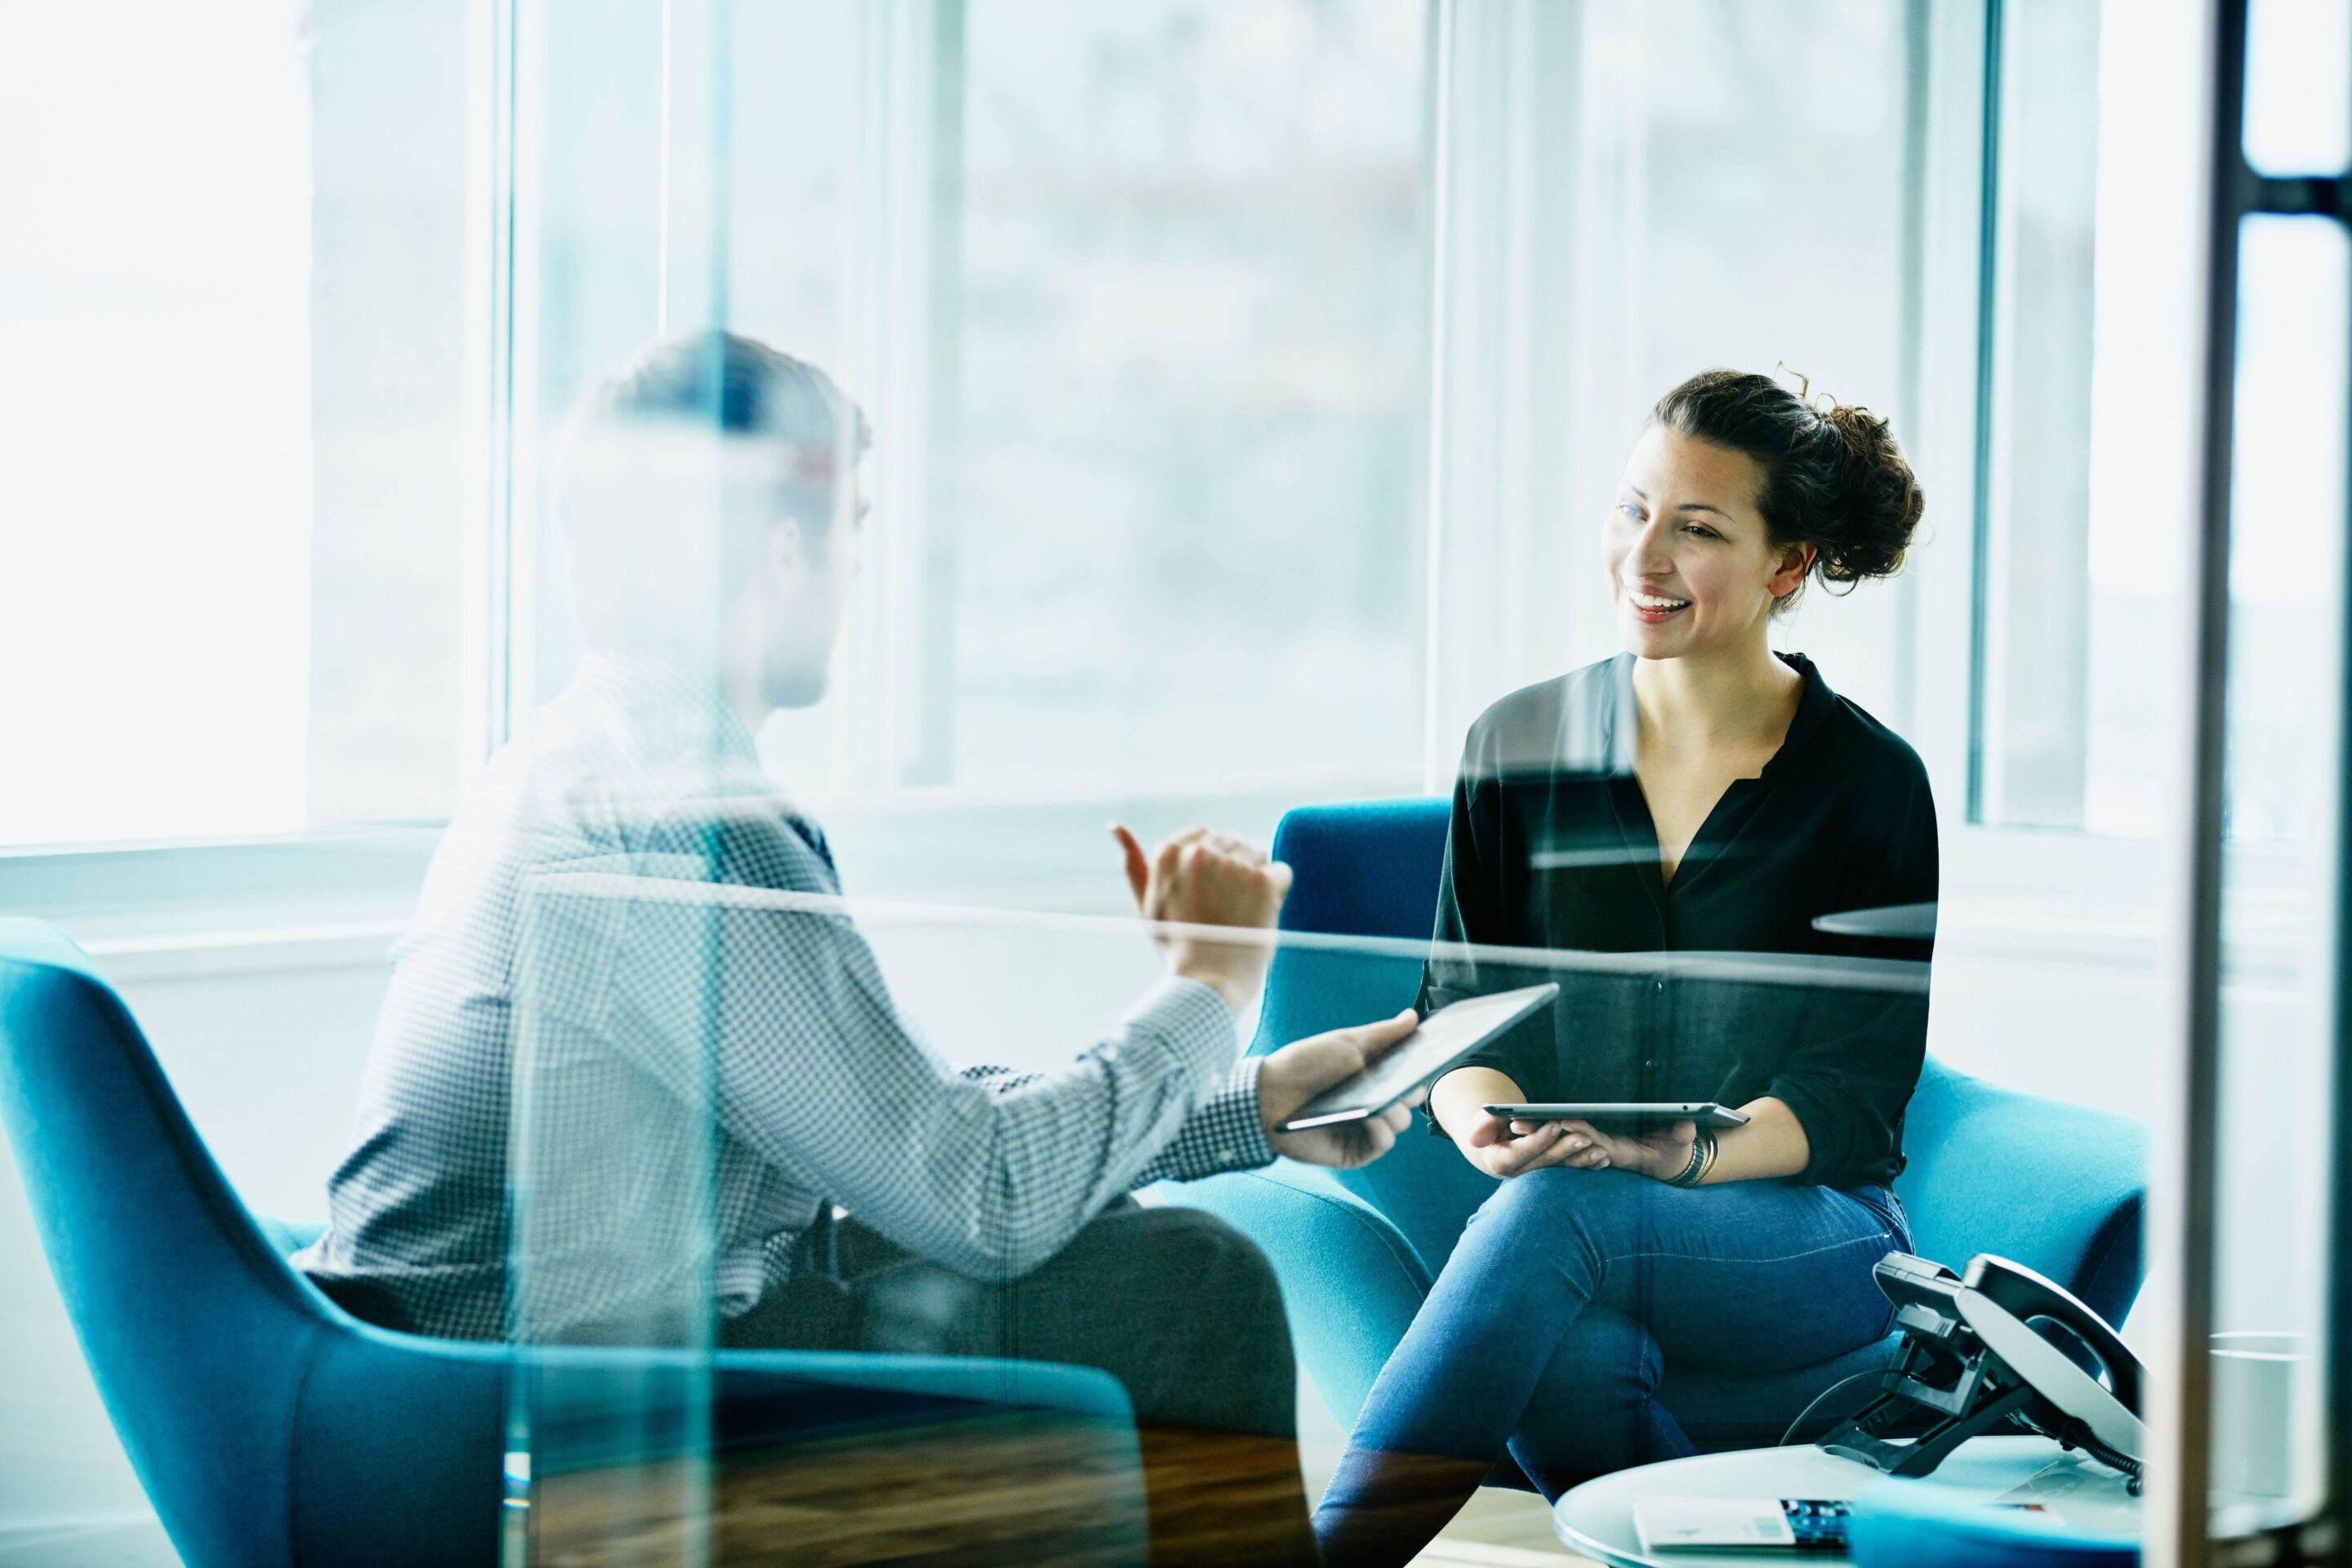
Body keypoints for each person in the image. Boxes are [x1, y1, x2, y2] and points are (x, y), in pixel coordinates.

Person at [293, 332, 1420, 1563]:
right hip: (547, 1425)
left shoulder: (582, 762)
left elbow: (908, 1138)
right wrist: (1211, 979)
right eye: (851, 531)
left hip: (488, 1373)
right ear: (785, 552)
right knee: (1188, 1289)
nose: (852, 573)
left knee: (1140, 1265)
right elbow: (979, 1198)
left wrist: (1244, 1104)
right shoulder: (690, 832)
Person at [1312, 369, 1939, 1566]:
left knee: (1561, 1218)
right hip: (1587, 1228)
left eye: (1698, 529)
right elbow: (1459, 1016)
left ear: (1787, 567)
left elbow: (1855, 1096)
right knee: (1574, 1349)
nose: (1643, 555)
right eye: (1632, 509)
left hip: (1816, 1232)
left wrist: (1684, 1152)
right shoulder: (1517, 745)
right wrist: (1486, 1119)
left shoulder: (1868, 786)